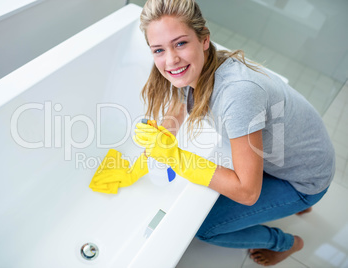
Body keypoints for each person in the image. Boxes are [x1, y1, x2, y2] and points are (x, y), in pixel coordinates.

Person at [133, 0, 335, 266]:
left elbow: (248, 192)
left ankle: (287, 242)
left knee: (204, 227)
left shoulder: (238, 93)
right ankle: (296, 203)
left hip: (306, 179)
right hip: (298, 153)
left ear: (204, 39)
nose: (170, 60)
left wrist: (177, 158)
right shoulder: (202, 64)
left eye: (180, 43)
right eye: (158, 49)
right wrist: (162, 137)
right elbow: (180, 102)